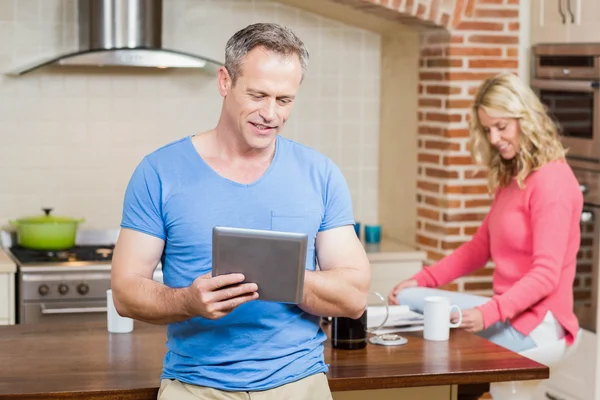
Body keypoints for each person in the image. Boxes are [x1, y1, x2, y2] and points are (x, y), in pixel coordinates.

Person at [111, 23, 370, 400]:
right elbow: (125, 291)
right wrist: (188, 301)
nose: (270, 114)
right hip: (194, 386)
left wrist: (282, 274)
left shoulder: (321, 174)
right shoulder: (159, 172)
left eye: (284, 100)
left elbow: (354, 296)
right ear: (224, 82)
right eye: (258, 95)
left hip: (299, 383)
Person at [388, 72, 583, 353]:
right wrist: (423, 279)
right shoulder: (515, 176)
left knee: (449, 349)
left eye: (501, 127)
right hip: (508, 310)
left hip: (539, 322)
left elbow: (545, 275)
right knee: (410, 298)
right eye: (487, 129)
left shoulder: (552, 182)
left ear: (525, 119)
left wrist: (489, 312)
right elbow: (479, 248)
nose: (494, 138)